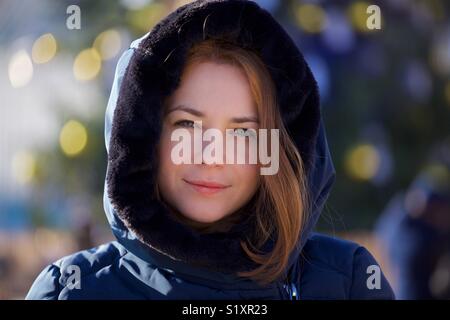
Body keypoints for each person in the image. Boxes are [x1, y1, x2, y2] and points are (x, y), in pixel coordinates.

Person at [26, 0, 394, 300]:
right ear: (142, 133)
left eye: (243, 132)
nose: (212, 155)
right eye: (187, 124)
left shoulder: (348, 283)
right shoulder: (72, 289)